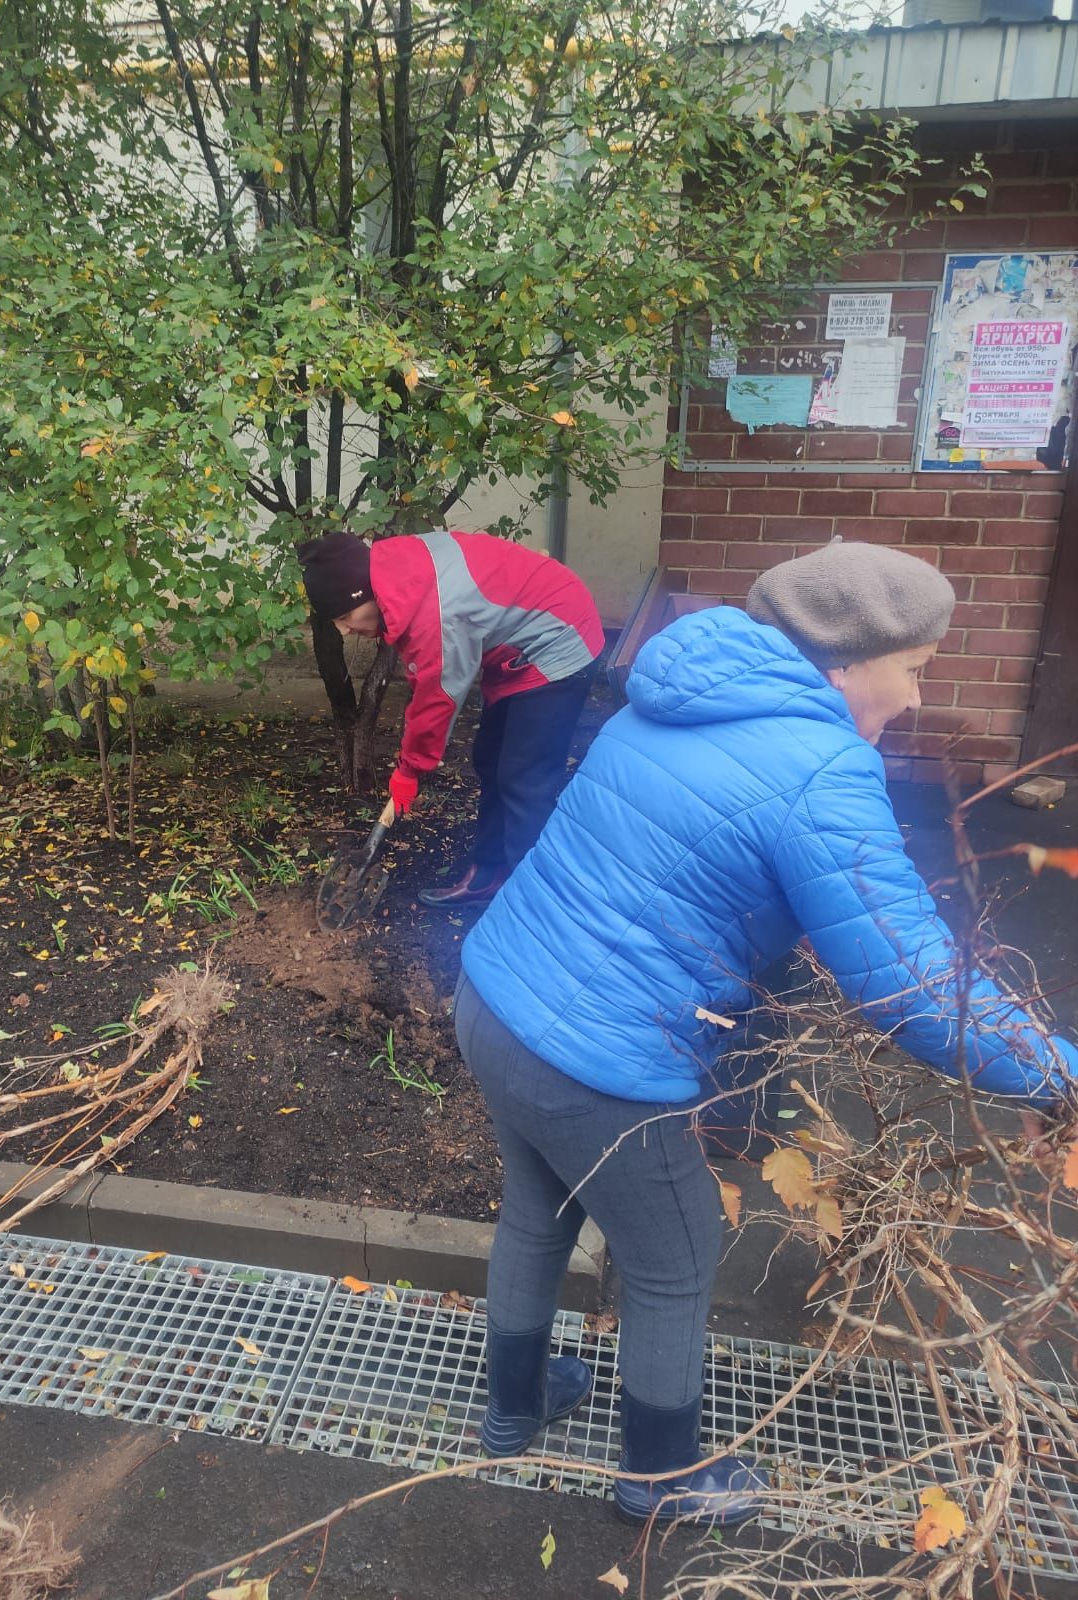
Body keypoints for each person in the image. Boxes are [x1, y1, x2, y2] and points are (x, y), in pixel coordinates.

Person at [453, 539, 1077, 1526]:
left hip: (496, 997)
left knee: (538, 1207)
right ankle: (662, 1481)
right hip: (594, 1064)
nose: (917, 699)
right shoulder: (819, 766)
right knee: (679, 1246)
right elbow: (914, 984)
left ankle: (512, 1410)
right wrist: (1056, 1073)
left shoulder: (662, 699)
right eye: (912, 670)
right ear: (844, 663)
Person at [298, 529, 604, 906]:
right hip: (521, 639)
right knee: (490, 760)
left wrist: (409, 770)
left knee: (525, 780)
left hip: (559, 636)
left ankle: (537, 907)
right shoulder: (394, 573)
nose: (344, 630)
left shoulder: (434, 613)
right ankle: (488, 876)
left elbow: (437, 699)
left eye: (345, 616)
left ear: (366, 592)